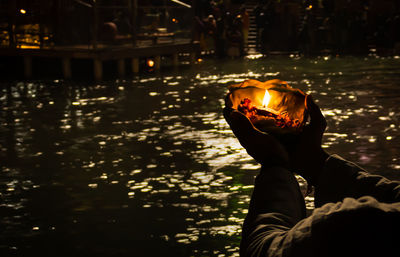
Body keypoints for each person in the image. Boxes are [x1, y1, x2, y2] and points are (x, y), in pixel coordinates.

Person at [223, 96, 400, 257]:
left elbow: (261, 249)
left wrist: (274, 163)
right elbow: (393, 196)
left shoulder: (354, 225)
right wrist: (313, 162)